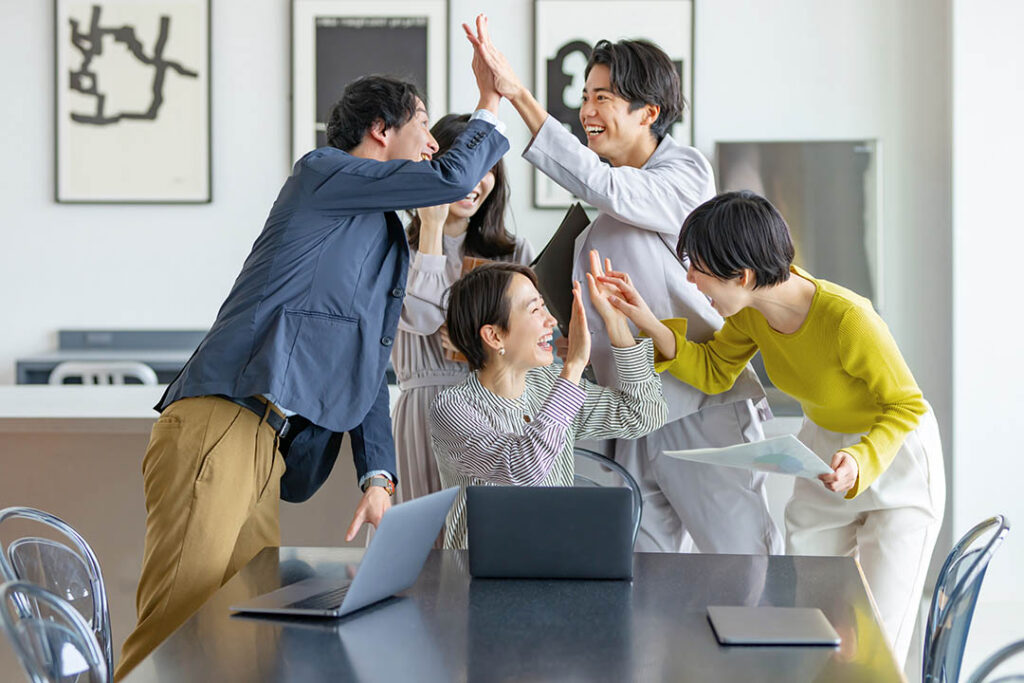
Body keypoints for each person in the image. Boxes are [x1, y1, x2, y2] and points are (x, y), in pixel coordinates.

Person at [114, 72, 510, 679]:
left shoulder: (383, 242)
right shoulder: (322, 174)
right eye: (424, 126)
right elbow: (449, 177)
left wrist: (377, 475)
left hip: (266, 447)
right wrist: (489, 105)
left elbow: (371, 364)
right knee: (174, 628)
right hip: (221, 422)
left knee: (241, 632)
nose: (432, 142)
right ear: (381, 131)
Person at [464, 15, 781, 554]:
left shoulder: (686, 176)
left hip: (700, 411)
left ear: (648, 112)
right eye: (585, 95)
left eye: (603, 96)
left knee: (746, 571)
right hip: (634, 418)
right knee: (639, 587)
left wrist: (515, 94)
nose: (587, 110)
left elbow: (606, 184)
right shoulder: (596, 231)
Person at [597, 190, 945, 666]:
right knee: (817, 628)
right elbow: (714, 370)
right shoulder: (748, 315)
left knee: (876, 640)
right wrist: (642, 319)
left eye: (698, 267)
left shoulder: (848, 319)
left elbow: (906, 404)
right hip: (823, 454)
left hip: (893, 456)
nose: (689, 278)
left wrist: (860, 460)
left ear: (742, 275)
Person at [430, 262, 667, 549]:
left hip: (557, 565)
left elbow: (645, 414)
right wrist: (574, 366)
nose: (551, 320)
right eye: (534, 310)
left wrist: (616, 323)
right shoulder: (452, 408)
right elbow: (523, 468)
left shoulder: (550, 382)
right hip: (481, 578)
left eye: (544, 306)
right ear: (494, 336)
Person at [393, 113, 534, 506]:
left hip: (495, 408)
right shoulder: (394, 253)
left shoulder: (513, 255)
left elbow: (531, 340)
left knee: (488, 541)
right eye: (460, 165)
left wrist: (469, 338)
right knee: (422, 543)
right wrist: (432, 227)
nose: (474, 180)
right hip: (422, 409)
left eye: (486, 168)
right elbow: (422, 318)